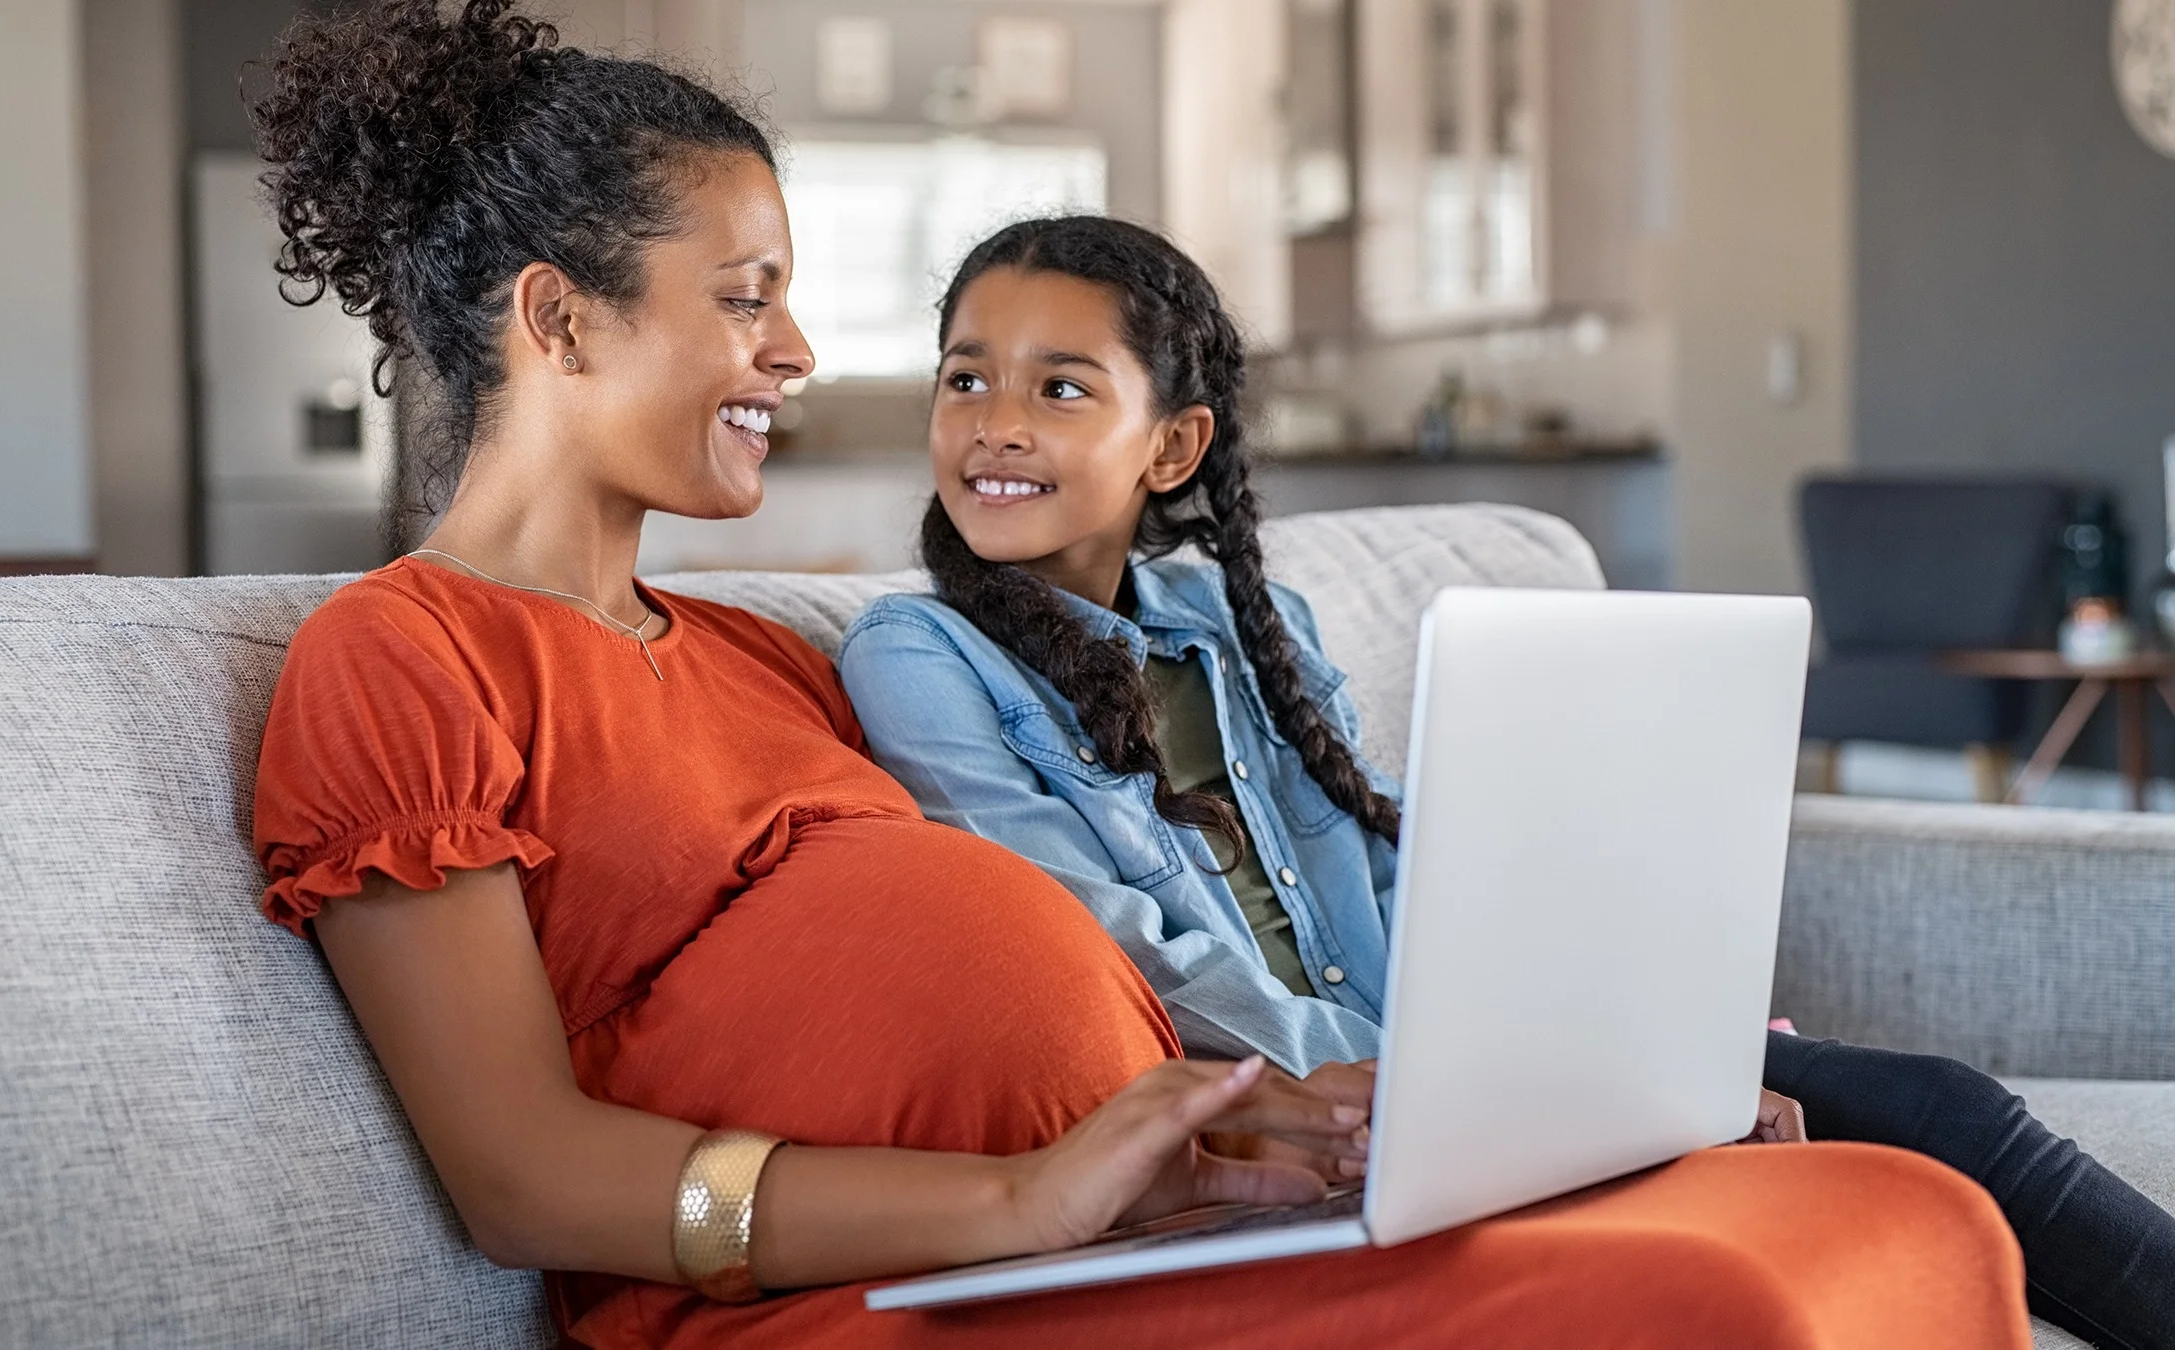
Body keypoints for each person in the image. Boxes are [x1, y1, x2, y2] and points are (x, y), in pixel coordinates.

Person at [247, 4, 2029, 1346]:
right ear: (559, 321)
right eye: (747, 297)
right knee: (1719, 1306)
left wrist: (1270, 1122)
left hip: (1130, 1231)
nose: (797, 352)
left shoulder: (750, 655)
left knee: (1884, 1211)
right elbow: (520, 1174)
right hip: (882, 1294)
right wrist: (1016, 1196)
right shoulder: (402, 658)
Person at [836, 214, 2175, 1350]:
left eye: (1059, 388)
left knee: (1946, 1109)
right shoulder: (922, 656)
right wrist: (1410, 1082)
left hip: (1470, 1081)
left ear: (1173, 447)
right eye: (965, 380)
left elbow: (1405, 869)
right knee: (1845, 1180)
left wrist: (1624, 1038)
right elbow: (1097, 941)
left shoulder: (1244, 621)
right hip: (1311, 1111)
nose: (995, 427)